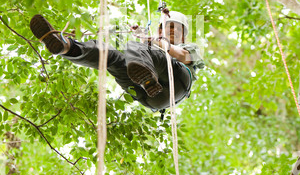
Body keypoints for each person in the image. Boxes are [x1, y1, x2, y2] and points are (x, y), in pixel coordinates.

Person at [29, 11, 204, 112]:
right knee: (111, 56)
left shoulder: (190, 47)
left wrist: (155, 42)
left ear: (184, 34)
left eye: (176, 28)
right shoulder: (150, 44)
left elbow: (182, 56)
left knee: (134, 48)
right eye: (168, 27)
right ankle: (67, 47)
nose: (171, 31)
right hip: (151, 98)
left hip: (176, 83)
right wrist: (145, 38)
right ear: (160, 30)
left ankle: (146, 76)